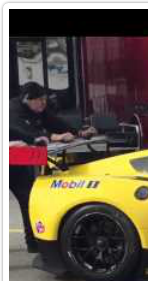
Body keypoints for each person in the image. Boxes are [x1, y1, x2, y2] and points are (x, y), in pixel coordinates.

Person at [9, 82, 97, 253]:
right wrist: (52, 137)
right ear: (27, 99)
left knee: (28, 198)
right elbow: (23, 131)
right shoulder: (12, 110)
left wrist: (78, 132)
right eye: (39, 100)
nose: (43, 104)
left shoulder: (37, 111)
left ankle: (33, 242)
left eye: (45, 100)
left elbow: (55, 122)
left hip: (14, 162)